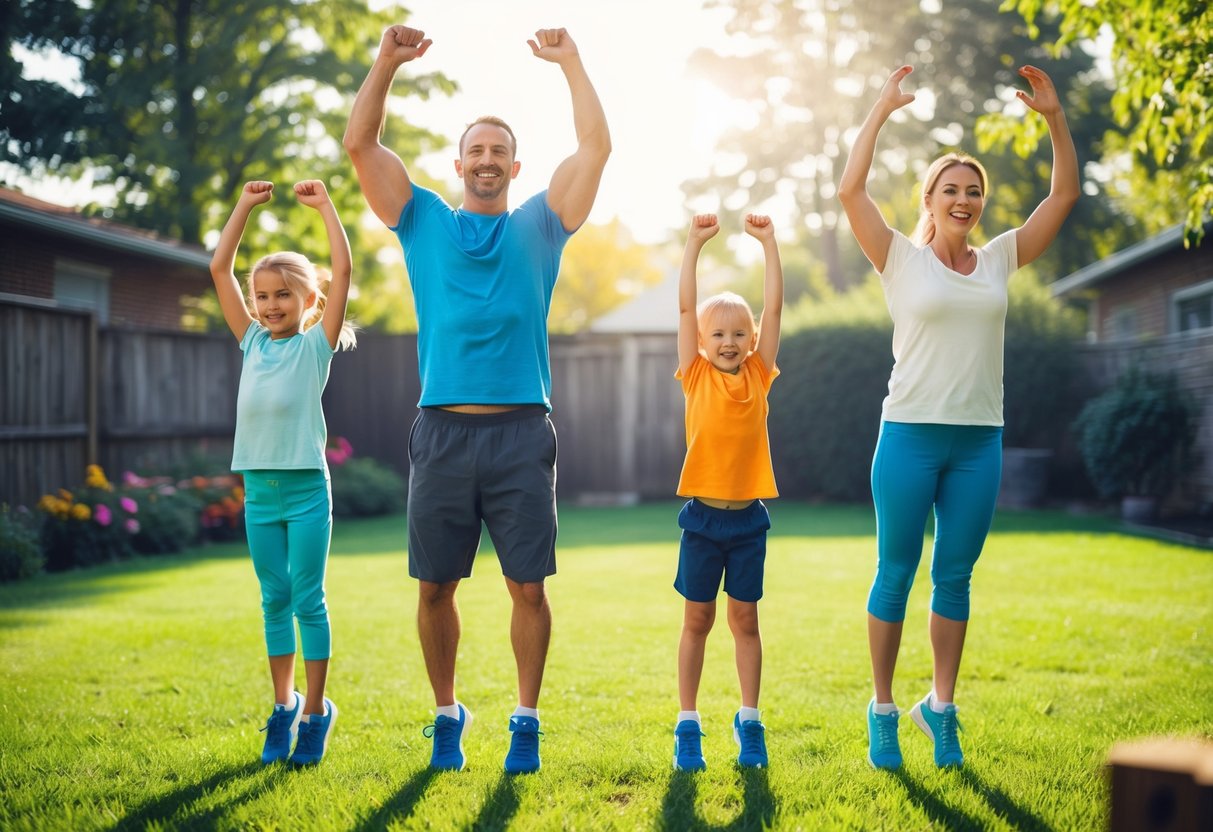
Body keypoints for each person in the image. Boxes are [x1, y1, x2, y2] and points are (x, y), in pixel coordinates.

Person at [343, 25, 610, 774]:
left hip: (523, 433)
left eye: (499, 151)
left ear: (513, 165)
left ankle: (526, 720)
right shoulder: (422, 218)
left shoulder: (542, 224)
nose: (486, 160)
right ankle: (446, 714)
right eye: (476, 151)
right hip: (442, 434)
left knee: (527, 585)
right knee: (434, 587)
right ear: (459, 164)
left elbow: (594, 149)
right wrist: (386, 61)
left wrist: (571, 61)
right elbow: (360, 146)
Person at [838, 65, 1079, 769]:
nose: (964, 199)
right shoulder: (898, 259)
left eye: (973, 191)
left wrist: (1054, 119)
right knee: (894, 573)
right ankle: (882, 709)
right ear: (929, 199)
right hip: (908, 436)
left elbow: (1061, 194)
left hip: (979, 442)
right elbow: (849, 190)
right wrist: (879, 109)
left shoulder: (1001, 258)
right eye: (951, 189)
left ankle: (939, 708)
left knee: (954, 577)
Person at [209, 179, 355, 767]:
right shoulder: (250, 343)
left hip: (304, 491)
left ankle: (317, 714)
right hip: (258, 492)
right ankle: (284, 707)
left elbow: (342, 272)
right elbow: (220, 268)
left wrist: (325, 208)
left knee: (308, 599)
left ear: (306, 301)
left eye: (282, 296)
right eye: (262, 296)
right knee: (273, 599)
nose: (270, 305)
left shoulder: (313, 346)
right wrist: (244, 205)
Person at [671, 212, 784, 771]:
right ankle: (687, 724)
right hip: (701, 522)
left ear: (753, 341)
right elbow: (687, 307)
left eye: (740, 334)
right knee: (697, 620)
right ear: (701, 341)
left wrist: (769, 245)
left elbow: (775, 308)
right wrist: (693, 244)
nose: (729, 341)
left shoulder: (760, 374)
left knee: (745, 622)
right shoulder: (694, 372)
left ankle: (750, 720)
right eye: (718, 334)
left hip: (747, 524)